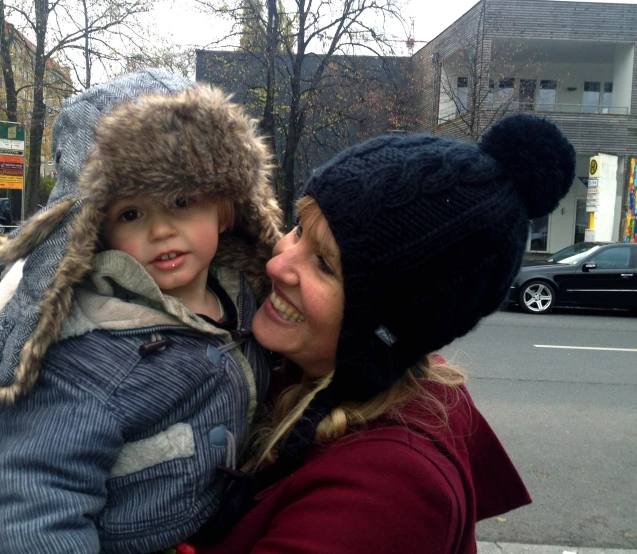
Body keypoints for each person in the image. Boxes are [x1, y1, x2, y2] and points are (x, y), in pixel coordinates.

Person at [195, 113, 577, 553]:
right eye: (299, 230)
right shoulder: (298, 373)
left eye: (323, 263)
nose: (277, 263)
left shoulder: (384, 496)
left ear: (384, 327)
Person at [0, 69, 283, 553]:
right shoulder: (81, 354)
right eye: (132, 214)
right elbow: (36, 501)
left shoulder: (247, 296)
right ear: (97, 230)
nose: (161, 230)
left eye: (182, 201)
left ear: (224, 208)